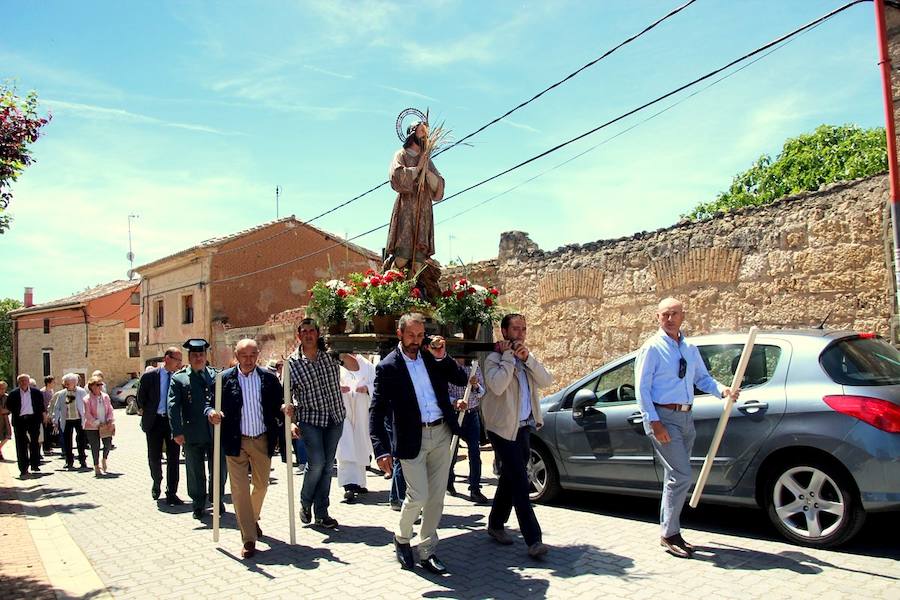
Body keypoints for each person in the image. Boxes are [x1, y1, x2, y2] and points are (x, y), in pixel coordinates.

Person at [635, 297, 739, 558]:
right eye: (665, 315)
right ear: (657, 318)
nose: (670, 319)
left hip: (686, 418)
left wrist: (722, 391)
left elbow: (702, 378)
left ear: (683, 316)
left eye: (674, 314)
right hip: (664, 417)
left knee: (675, 477)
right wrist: (654, 422)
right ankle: (670, 534)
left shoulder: (690, 348)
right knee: (681, 475)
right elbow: (642, 389)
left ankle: (668, 530)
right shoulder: (652, 348)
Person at [370, 312, 467, 574]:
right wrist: (380, 449)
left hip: (441, 432)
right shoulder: (388, 367)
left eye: (420, 335)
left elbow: (460, 378)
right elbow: (376, 411)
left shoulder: (431, 357)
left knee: (436, 498)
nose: (416, 340)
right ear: (399, 334)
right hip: (411, 439)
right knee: (418, 495)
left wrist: (443, 356)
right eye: (411, 335)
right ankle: (402, 538)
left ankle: (427, 550)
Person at [206, 338, 287, 559]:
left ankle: (251, 520)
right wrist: (212, 413)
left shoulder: (269, 379)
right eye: (244, 355)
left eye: (252, 355)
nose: (249, 360)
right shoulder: (223, 380)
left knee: (260, 485)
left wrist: (286, 411)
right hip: (235, 441)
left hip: (261, 439)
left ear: (258, 355)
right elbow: (210, 403)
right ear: (236, 355)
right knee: (240, 491)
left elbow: (279, 405)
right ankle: (248, 538)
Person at [482, 313, 554, 558]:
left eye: (523, 329)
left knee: (510, 478)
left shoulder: (526, 359)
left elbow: (547, 380)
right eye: (515, 329)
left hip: (523, 426)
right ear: (504, 332)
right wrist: (508, 357)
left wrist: (528, 359)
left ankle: (495, 524)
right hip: (502, 429)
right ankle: (534, 540)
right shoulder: (493, 359)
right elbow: (498, 385)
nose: (520, 333)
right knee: (521, 483)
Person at [285, 318, 359, 528]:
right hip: (310, 419)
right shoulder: (292, 363)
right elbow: (287, 397)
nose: (308, 335)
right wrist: (290, 423)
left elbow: (354, 367)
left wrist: (342, 352)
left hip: (335, 417)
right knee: (316, 463)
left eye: (312, 331)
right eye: (304, 331)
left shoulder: (330, 354)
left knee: (327, 467)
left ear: (318, 333)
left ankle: (322, 512)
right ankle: (305, 502)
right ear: (299, 336)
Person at [168, 338, 227, 520]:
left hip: (215, 431)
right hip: (192, 431)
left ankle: (216, 499)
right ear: (190, 357)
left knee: (218, 468)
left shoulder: (217, 375)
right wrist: (177, 431)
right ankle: (198, 503)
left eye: (201, 354)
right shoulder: (180, 378)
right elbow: (173, 406)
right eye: (195, 355)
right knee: (195, 470)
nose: (198, 358)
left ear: (205, 355)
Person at [385, 121, 445, 272]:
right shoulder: (401, 154)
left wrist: (426, 170)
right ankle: (392, 285)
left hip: (423, 207)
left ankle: (413, 291)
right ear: (412, 134)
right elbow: (396, 176)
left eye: (425, 133)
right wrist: (417, 169)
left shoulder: (426, 160)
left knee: (419, 258)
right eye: (420, 131)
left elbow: (439, 185)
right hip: (407, 206)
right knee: (403, 255)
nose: (424, 135)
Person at [137, 346, 184, 505]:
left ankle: (172, 492)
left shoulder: (180, 377)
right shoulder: (150, 376)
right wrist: (149, 411)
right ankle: (157, 481)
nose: (180, 363)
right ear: (167, 359)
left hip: (173, 422)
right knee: (154, 456)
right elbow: (140, 398)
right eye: (178, 360)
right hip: (155, 421)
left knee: (173, 458)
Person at [336, 354, 376, 503]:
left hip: (361, 412)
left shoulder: (367, 367)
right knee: (346, 445)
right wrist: (338, 388)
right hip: (343, 412)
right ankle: (348, 485)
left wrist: (367, 388)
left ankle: (359, 482)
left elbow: (376, 385)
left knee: (359, 444)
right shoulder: (336, 368)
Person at [447, 358, 488, 504]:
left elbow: (481, 393)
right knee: (452, 451)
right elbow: (442, 393)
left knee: (474, 452)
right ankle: (448, 482)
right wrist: (454, 402)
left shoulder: (474, 367)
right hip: (454, 415)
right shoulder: (448, 367)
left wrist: (475, 384)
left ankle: (475, 489)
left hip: (472, 415)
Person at [7, 374, 46, 478]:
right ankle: (23, 468)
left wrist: (43, 417)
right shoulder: (13, 394)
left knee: (34, 443)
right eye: (21, 381)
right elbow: (9, 406)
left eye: (25, 381)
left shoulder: (36, 393)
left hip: (33, 420)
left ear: (29, 382)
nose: (24, 383)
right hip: (20, 421)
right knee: (21, 445)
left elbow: (41, 406)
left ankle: (34, 464)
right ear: (18, 382)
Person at [50, 373, 88, 470]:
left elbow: (86, 404)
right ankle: (69, 461)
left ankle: (82, 460)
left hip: (79, 419)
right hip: (67, 420)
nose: (66, 384)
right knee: (67, 441)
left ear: (74, 383)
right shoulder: (62, 394)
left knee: (81, 440)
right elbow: (57, 408)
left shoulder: (81, 392)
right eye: (65, 382)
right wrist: (55, 420)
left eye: (68, 382)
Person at [82, 376, 115, 477]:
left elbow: (110, 409)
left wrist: (109, 419)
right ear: (91, 386)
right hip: (92, 426)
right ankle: (96, 466)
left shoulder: (105, 396)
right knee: (95, 447)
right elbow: (87, 414)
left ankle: (104, 459)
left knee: (108, 444)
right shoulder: (86, 399)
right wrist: (96, 423)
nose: (100, 387)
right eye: (97, 385)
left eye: (101, 385)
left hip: (105, 424)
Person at [40, 376, 56, 455]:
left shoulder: (51, 391)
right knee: (45, 432)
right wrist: (45, 415)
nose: (54, 383)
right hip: (45, 414)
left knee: (49, 431)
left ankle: (49, 446)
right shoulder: (43, 392)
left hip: (50, 413)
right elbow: (42, 404)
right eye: (53, 382)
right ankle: (46, 449)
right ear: (48, 383)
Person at [0, 381, 11, 461]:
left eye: (4, 388)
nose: (2, 390)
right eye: (1, 388)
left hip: (5, 419)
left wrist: (6, 411)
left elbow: (11, 408)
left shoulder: (7, 397)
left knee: (8, 435)